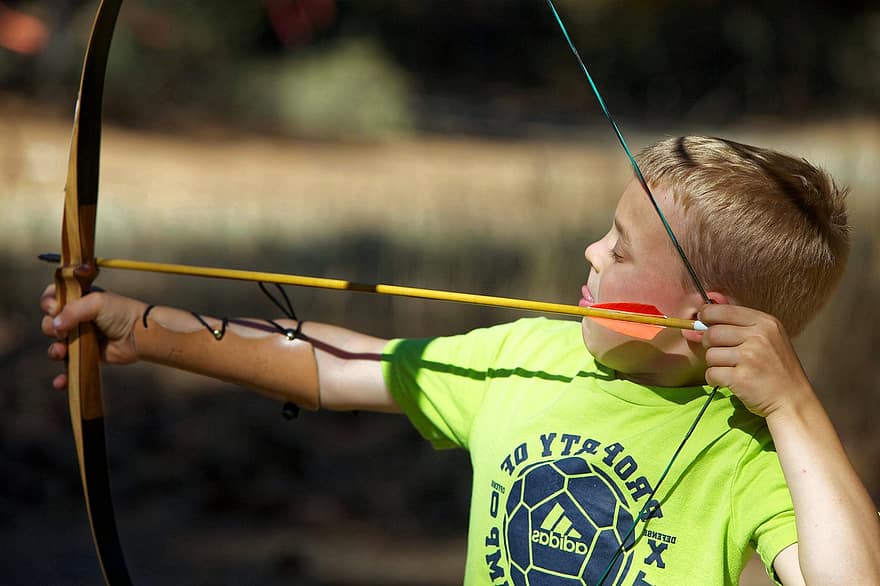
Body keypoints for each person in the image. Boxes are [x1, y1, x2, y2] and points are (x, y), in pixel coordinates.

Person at [42, 136, 880, 585]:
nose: (590, 252)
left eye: (620, 250)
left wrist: (793, 407)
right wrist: (144, 327)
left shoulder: (748, 449)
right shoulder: (526, 357)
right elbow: (337, 365)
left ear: (701, 319)